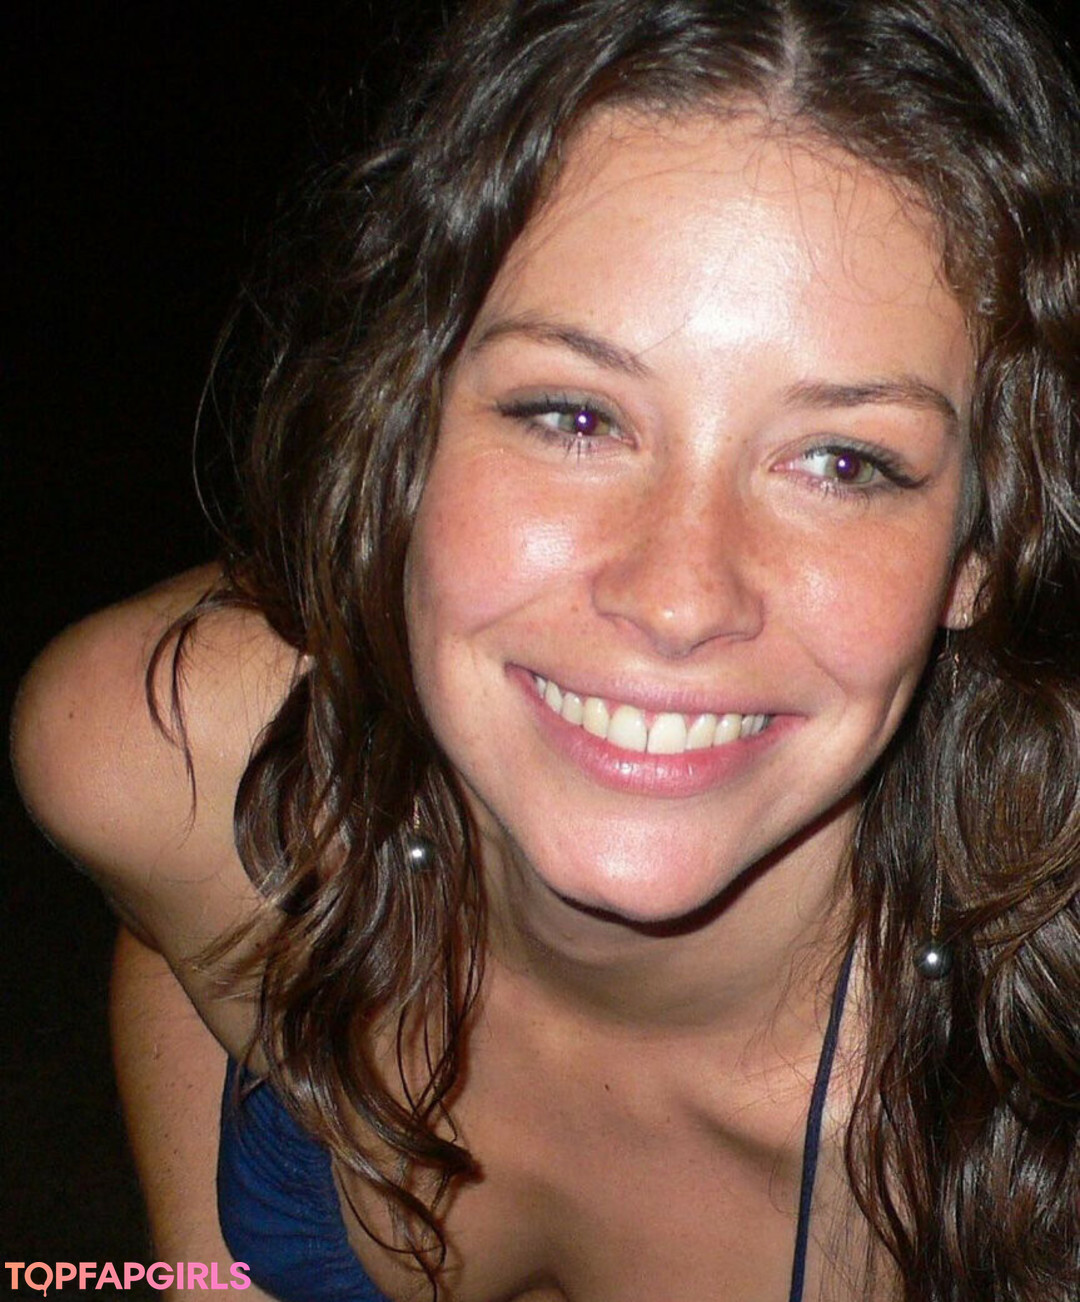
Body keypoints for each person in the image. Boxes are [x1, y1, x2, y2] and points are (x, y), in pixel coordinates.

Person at [12, 0, 1080, 1298]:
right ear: (404, 434)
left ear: (980, 553)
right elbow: (175, 914)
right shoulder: (163, 743)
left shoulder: (1031, 1109)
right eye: (574, 415)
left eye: (843, 462)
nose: (679, 597)